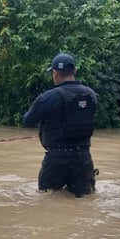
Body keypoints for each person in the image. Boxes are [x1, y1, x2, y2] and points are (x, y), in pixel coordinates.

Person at [23, 53, 98, 197]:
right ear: (75, 70)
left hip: (56, 160)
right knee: (84, 202)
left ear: (55, 73)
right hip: (84, 158)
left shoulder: (48, 97)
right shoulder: (91, 95)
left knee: (46, 199)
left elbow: (28, 120)